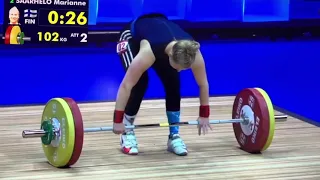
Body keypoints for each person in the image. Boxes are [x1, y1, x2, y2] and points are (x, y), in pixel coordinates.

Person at [112, 13, 212, 156]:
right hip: (132, 37)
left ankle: (174, 135)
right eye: (179, 67)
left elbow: (203, 84)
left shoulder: (193, 52)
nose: (180, 70)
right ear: (170, 54)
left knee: (173, 82)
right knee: (139, 83)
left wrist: (204, 115)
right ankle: (127, 131)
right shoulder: (148, 51)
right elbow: (126, 85)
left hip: (161, 33)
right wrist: (117, 120)